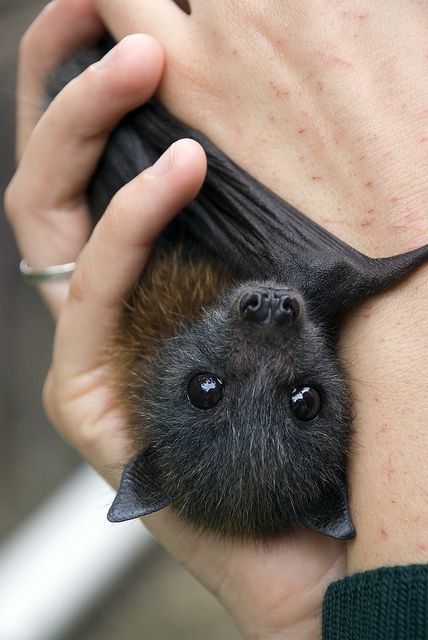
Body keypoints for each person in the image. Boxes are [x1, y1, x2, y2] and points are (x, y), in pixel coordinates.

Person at [5, 1, 427, 638]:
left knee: (79, 84)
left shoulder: (151, 292)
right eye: (304, 399)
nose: (270, 329)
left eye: (207, 389)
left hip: (184, 155)